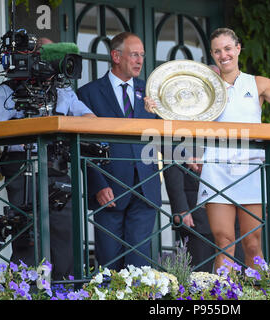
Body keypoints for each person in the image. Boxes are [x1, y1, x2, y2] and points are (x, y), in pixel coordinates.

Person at [146, 27, 270, 271]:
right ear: (212, 55)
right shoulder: (203, 89)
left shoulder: (257, 84)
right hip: (216, 169)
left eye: (227, 49)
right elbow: (177, 114)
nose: (223, 55)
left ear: (238, 49)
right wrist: (156, 106)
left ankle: (258, 295)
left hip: (250, 169)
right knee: (224, 243)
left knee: (253, 244)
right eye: (217, 51)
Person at [0, 38, 96, 280]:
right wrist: (18, 137)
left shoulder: (63, 89)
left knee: (65, 231)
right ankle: (25, 288)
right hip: (22, 167)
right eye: (50, 56)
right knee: (28, 233)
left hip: (58, 166)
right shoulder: (9, 90)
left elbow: (89, 117)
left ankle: (64, 288)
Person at [77, 32, 161, 270]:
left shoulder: (149, 93)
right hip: (109, 188)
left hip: (146, 185)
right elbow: (84, 145)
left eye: (142, 55)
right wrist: (98, 184)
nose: (140, 60)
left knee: (140, 264)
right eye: (134, 54)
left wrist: (189, 153)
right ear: (116, 56)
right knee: (109, 263)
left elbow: (165, 134)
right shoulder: (88, 93)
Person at [163, 149, 245, 273]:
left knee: (238, 274)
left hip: (237, 208)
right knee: (198, 278)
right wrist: (181, 208)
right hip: (197, 212)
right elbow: (171, 154)